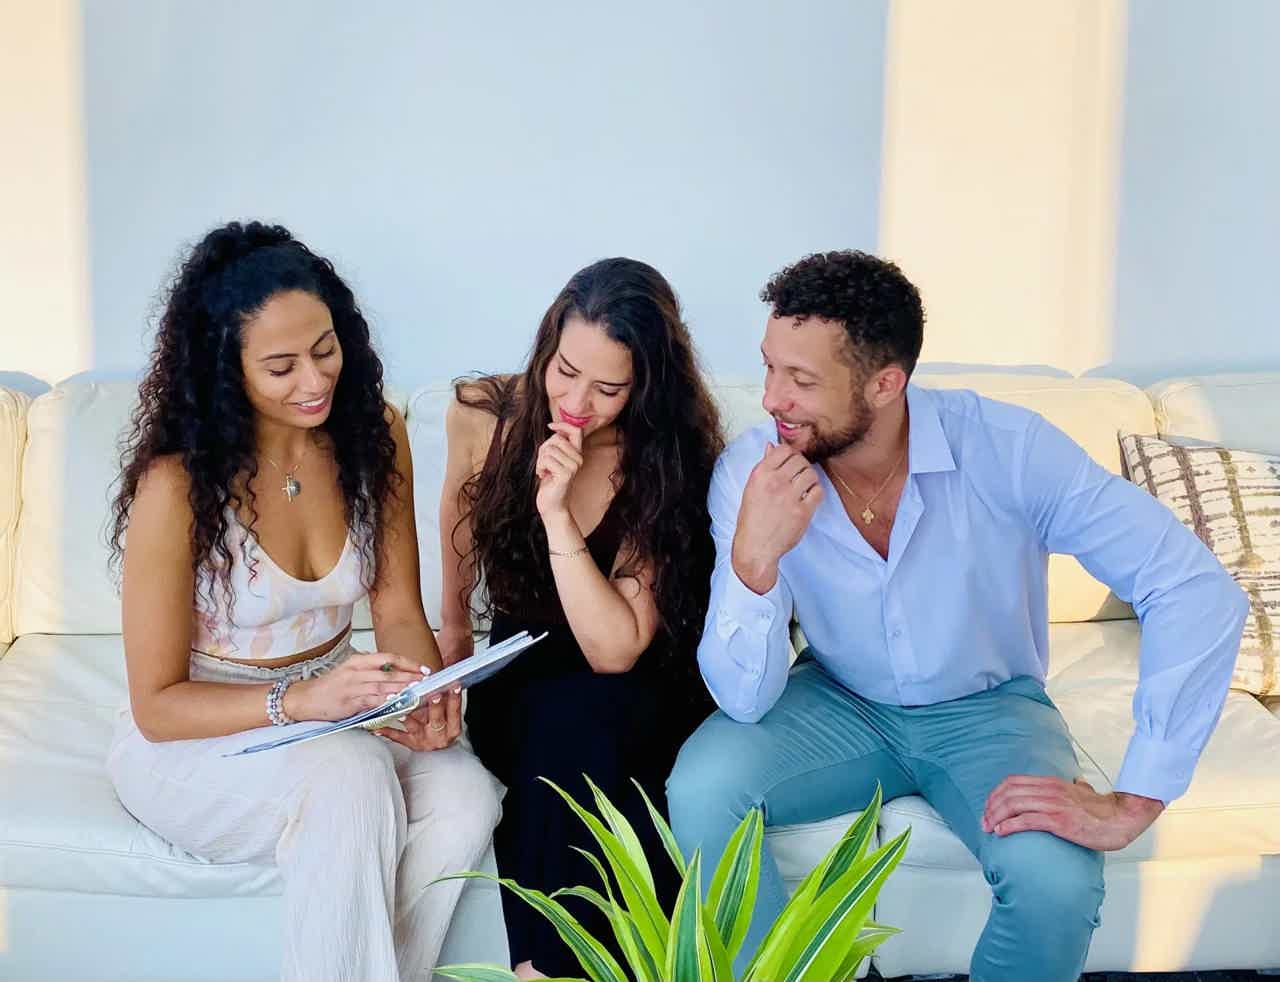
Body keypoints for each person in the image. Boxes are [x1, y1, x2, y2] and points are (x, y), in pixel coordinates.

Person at [666, 250, 1249, 981]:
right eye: (770, 367)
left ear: (885, 384)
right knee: (702, 790)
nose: (772, 398)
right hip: (839, 700)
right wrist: (754, 559)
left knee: (1055, 881)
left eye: (802, 380)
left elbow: (1191, 585)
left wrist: (1140, 795)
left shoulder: (1009, 449)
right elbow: (744, 700)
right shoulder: (752, 473)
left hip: (989, 709)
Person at [106, 221, 502, 982]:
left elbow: (396, 609)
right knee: (350, 777)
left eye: (325, 350)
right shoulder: (178, 483)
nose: (315, 381)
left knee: (466, 795)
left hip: (337, 708)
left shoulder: (372, 434)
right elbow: (157, 707)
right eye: (281, 367)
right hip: (198, 734)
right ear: (227, 370)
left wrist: (423, 696)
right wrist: (302, 701)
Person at [439, 257, 722, 979]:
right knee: (555, 727)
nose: (575, 403)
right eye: (564, 372)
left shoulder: (665, 457)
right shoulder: (482, 415)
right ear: (547, 349)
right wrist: (452, 642)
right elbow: (455, 527)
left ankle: (542, 970)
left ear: (645, 386)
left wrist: (557, 513)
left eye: (608, 389)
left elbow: (615, 651)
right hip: (520, 675)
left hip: (635, 679)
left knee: (584, 723)